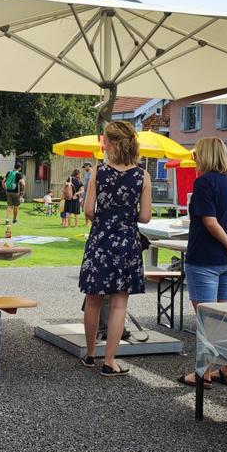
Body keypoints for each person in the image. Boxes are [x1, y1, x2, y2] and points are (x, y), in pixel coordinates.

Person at [180, 137, 227, 388]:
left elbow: (209, 222)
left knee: (207, 318)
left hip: (205, 258)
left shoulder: (204, 182)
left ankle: (203, 373)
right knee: (224, 317)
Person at [79, 121, 151, 377]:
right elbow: (145, 217)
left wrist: (104, 216)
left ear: (109, 143)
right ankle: (110, 361)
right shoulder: (142, 176)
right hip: (126, 243)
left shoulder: (99, 172)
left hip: (100, 240)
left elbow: (88, 210)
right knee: (119, 304)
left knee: (93, 299)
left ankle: (90, 354)